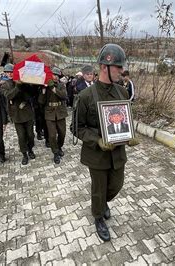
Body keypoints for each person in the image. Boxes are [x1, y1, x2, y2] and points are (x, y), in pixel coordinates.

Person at [72, 43, 139, 242]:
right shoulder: (85, 96)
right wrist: (97, 140)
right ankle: (98, 216)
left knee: (116, 185)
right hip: (97, 154)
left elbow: (124, 120)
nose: (121, 71)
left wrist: (130, 135)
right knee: (99, 189)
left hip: (117, 152)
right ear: (104, 67)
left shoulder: (122, 92)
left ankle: (102, 203)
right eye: (118, 67)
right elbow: (76, 128)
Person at [1, 63, 37, 165]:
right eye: (7, 72)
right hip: (16, 115)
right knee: (21, 136)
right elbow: (9, 96)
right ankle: (24, 154)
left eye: (11, 72)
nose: (10, 74)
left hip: (27, 113)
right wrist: (18, 86)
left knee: (30, 135)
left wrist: (26, 84)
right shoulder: (5, 85)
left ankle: (30, 149)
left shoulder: (24, 81)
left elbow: (31, 94)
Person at [38, 67, 68, 164]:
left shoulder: (61, 85)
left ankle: (59, 147)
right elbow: (41, 102)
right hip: (50, 113)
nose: (54, 77)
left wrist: (53, 88)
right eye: (53, 75)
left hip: (60, 112)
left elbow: (64, 96)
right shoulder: (45, 86)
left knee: (62, 133)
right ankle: (55, 153)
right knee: (51, 135)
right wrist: (43, 90)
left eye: (56, 75)